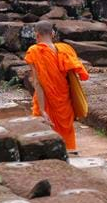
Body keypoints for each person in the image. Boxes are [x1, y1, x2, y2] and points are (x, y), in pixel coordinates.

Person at [25, 20, 89, 153]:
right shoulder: (65, 50)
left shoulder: (34, 51)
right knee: (66, 131)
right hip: (64, 101)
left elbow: (38, 83)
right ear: (53, 34)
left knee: (44, 136)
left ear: (37, 35)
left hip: (47, 101)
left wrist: (42, 110)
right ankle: (70, 152)